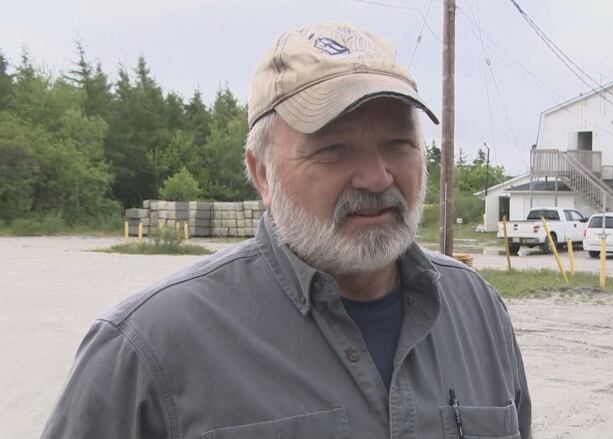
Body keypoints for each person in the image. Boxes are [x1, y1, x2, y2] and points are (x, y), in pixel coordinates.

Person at [41, 23, 532, 438]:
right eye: (334, 149)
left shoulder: (478, 312)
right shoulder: (147, 349)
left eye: (398, 143)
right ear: (261, 172)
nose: (376, 177)